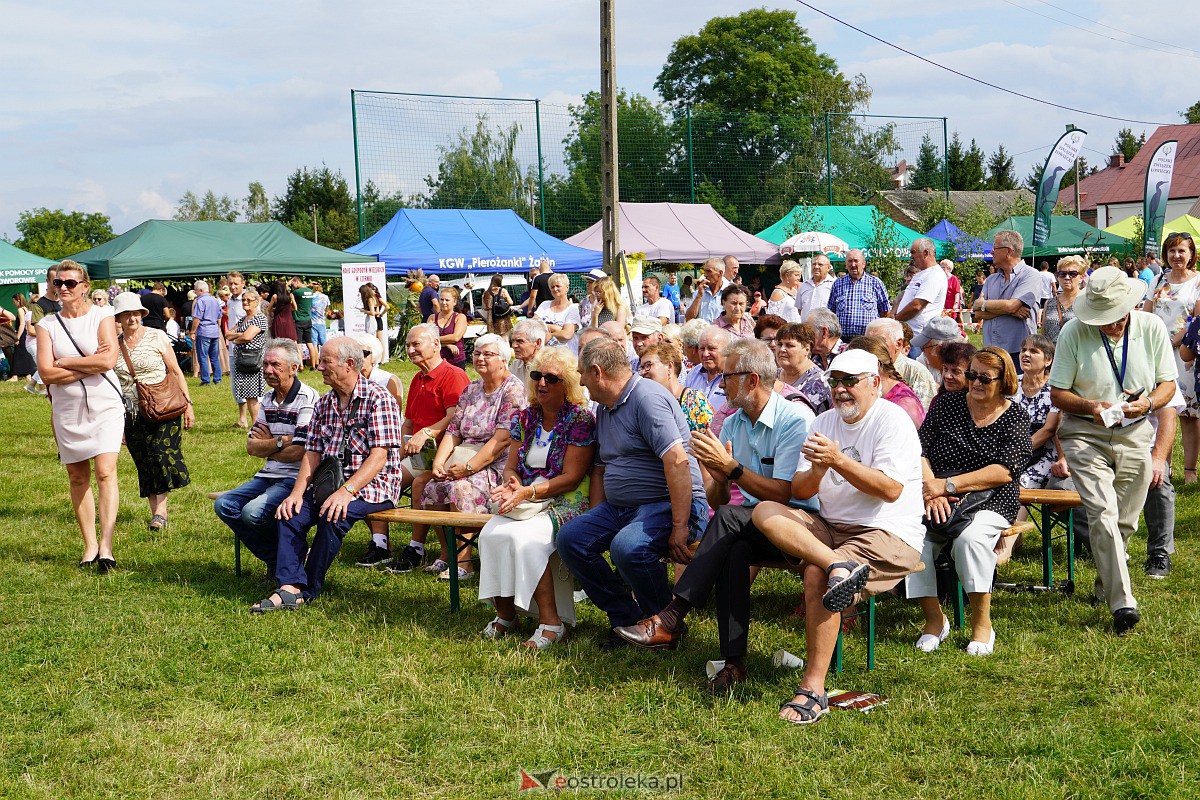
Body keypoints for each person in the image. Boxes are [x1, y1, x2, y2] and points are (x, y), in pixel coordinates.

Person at [615, 340, 817, 693]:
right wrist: (719, 475)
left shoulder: (794, 418)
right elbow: (720, 496)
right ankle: (733, 664)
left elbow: (785, 494)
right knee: (732, 545)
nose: (720, 384)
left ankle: (672, 616)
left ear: (752, 379)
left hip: (800, 526)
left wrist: (732, 469)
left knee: (729, 522)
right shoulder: (735, 421)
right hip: (754, 524)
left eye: (728, 376)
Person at [737, 349, 926, 723]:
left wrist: (839, 461)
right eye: (834, 381)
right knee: (763, 511)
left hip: (887, 531)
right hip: (832, 528)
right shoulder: (823, 421)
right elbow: (802, 490)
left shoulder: (894, 421)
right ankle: (836, 563)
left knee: (815, 575)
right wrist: (820, 469)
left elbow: (889, 490)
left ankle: (813, 689)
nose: (840, 389)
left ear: (874, 384)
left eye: (850, 381)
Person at [556, 338, 708, 650]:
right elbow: (601, 468)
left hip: (669, 503)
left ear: (598, 372)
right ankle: (628, 618)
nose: (581, 381)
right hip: (623, 507)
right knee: (572, 539)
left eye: (582, 373)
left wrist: (680, 527)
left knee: (627, 547)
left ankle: (665, 623)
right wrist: (597, 517)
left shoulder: (646, 398)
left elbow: (677, 461)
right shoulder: (607, 407)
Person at [1050, 267, 1177, 634]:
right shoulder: (1073, 332)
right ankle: (1123, 604)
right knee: (1103, 514)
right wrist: (1092, 406)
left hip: (1136, 432)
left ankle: (1104, 585)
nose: (1112, 325)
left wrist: (1148, 404)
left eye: (1117, 317)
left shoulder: (1151, 327)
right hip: (1084, 434)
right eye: (1103, 320)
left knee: (1125, 522)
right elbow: (1058, 394)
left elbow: (1168, 384)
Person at [263, 336, 405, 611]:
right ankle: (289, 585)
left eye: (326, 361)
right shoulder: (325, 403)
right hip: (331, 485)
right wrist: (295, 493)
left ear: (349, 364)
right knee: (290, 513)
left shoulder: (379, 398)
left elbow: (379, 457)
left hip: (374, 486)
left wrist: (346, 492)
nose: (319, 367)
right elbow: (312, 453)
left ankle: (307, 589)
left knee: (332, 514)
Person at [908, 347, 1030, 656]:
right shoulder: (947, 403)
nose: (975, 382)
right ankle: (935, 620)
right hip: (936, 492)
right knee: (912, 540)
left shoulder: (1015, 416)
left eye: (984, 378)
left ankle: (982, 624)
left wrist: (947, 486)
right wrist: (932, 488)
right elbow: (919, 449)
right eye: (971, 374)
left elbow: (1004, 471)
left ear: (1004, 381)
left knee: (970, 540)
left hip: (991, 499)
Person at [477, 347, 596, 649]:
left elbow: (571, 478)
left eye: (551, 379)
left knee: (526, 541)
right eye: (537, 376)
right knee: (490, 534)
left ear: (567, 383)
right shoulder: (525, 418)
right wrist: (510, 484)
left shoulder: (579, 420)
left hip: (567, 500)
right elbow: (511, 466)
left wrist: (525, 492)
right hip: (526, 499)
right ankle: (506, 615)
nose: (542, 383)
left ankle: (552, 623)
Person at [35, 261, 124, 571]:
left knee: (105, 471)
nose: (63, 288)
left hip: (105, 405)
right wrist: (90, 362)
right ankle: (88, 546)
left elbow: (109, 359)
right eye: (58, 282)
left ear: (85, 286)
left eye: (70, 283)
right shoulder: (46, 324)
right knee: (77, 475)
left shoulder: (103, 316)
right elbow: (46, 371)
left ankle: (106, 547)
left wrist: (68, 361)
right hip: (67, 408)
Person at [422, 334, 527, 581]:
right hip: (464, 458)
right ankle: (447, 553)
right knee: (431, 485)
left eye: (487, 354)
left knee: (461, 489)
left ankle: (465, 561)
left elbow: (502, 439)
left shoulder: (512, 390)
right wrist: (439, 462)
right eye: (477, 353)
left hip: (498, 465)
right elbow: (453, 430)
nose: (480, 358)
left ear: (503, 360)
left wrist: (468, 468)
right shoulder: (472, 388)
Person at [214, 339, 319, 577]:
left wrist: (268, 444)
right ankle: (281, 556)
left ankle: (283, 559)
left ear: (293, 368)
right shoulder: (268, 399)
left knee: (251, 513)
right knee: (224, 505)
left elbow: (301, 451)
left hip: (295, 479)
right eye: (266, 364)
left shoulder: (307, 398)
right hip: (268, 475)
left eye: (275, 365)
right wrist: (281, 441)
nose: (268, 371)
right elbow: (251, 447)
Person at [373, 324, 471, 572]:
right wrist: (403, 442)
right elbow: (409, 419)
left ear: (436, 345)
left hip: (445, 453)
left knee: (421, 484)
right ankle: (380, 544)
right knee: (378, 476)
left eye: (416, 344)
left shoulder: (453, 375)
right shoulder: (418, 378)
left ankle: (418, 548)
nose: (410, 349)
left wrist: (426, 433)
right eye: (408, 345)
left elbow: (455, 417)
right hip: (420, 454)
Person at [111, 292, 194, 532]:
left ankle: (162, 510)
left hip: (163, 405)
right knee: (144, 460)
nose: (132, 318)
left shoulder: (157, 336)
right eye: (127, 314)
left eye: (136, 313)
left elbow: (176, 371)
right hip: (132, 411)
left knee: (160, 452)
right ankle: (155, 514)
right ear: (119, 318)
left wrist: (188, 404)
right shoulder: (114, 345)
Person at [1144, 231, 1200, 483]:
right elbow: (1146, 314)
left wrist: (1177, 340)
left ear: (1191, 255)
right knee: (1159, 411)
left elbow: (1197, 319)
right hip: (1156, 353)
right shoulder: (1156, 280)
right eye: (1172, 251)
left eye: (1182, 251)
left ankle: (1190, 471)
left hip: (1186, 355)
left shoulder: (1198, 282)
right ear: (1166, 254)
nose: (1177, 256)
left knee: (1189, 414)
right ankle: (1163, 466)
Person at [971, 230, 1041, 367]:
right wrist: (1011, 311)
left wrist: (983, 304)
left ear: (1008, 251)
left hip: (1018, 355)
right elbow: (978, 314)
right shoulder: (991, 280)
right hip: (990, 354)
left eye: (995, 248)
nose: (991, 252)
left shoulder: (1031, 275)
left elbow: (1010, 306)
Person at [847, 336, 926, 428]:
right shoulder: (853, 391)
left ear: (876, 365)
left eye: (853, 365)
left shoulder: (905, 404)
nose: (847, 371)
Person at [638, 341, 714, 433]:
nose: (642, 373)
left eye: (648, 365)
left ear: (669, 367)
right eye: (641, 368)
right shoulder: (647, 403)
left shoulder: (693, 400)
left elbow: (709, 439)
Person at [866, 317, 937, 410]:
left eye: (879, 341)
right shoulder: (862, 368)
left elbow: (922, 414)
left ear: (898, 344)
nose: (872, 347)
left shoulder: (916, 373)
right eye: (868, 342)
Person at [897, 238, 949, 355]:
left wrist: (895, 320)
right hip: (910, 337)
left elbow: (917, 305)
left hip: (919, 339)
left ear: (925, 253)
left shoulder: (934, 275)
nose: (911, 256)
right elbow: (906, 296)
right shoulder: (921, 274)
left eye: (913, 252)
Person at [227, 288, 268, 429]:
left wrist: (238, 338)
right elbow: (228, 334)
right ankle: (255, 425)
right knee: (248, 394)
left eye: (249, 300)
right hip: (243, 362)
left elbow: (247, 337)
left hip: (253, 361)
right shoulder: (244, 319)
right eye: (244, 300)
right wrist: (240, 336)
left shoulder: (259, 317)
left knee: (253, 395)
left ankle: (257, 427)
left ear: (256, 302)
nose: (245, 302)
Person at [774, 322, 830, 416]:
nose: (782, 349)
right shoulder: (772, 376)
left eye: (789, 345)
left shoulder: (821, 383)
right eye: (779, 344)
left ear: (807, 350)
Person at [683, 325, 731, 413]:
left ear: (727, 350)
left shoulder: (734, 378)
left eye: (711, 348)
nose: (705, 354)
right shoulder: (694, 373)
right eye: (702, 348)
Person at [535, 274, 580, 355]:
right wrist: (556, 328)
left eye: (558, 286)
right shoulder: (544, 305)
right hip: (545, 354)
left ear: (567, 287)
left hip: (566, 354)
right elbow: (533, 325)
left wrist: (547, 334)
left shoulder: (573, 308)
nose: (555, 289)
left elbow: (567, 334)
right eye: (552, 287)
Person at [190, 279, 224, 385]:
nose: (195, 293)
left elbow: (197, 318)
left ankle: (205, 380)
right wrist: (217, 327)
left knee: (203, 356)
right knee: (214, 357)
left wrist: (192, 332)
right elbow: (219, 317)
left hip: (204, 331)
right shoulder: (215, 300)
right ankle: (218, 379)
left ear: (200, 290)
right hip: (214, 331)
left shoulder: (200, 301)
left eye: (195, 290)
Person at [1043, 255, 1084, 343]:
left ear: (1081, 277)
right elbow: (1044, 335)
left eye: (1072, 274)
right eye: (1062, 274)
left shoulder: (1086, 302)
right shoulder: (1049, 303)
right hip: (1053, 355)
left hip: (1077, 354)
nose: (1067, 277)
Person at [426, 286, 468, 368]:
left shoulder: (460, 317)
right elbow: (427, 339)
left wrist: (436, 340)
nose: (444, 302)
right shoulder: (432, 318)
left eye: (447, 300)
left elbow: (455, 337)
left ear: (454, 302)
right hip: (436, 361)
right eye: (441, 299)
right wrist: (448, 344)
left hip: (455, 361)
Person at [685, 258, 730, 323]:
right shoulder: (699, 293)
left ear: (720, 273)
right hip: (702, 332)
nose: (705, 275)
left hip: (721, 332)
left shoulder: (730, 293)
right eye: (705, 271)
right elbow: (688, 319)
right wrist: (699, 296)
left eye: (709, 271)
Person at [795, 254, 836, 320]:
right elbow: (799, 309)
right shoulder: (804, 286)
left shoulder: (834, 285)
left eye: (820, 264)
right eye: (814, 264)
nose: (816, 267)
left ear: (828, 268)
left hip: (825, 328)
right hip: (806, 327)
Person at [508, 317, 546, 386]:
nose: (514, 345)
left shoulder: (549, 366)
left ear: (538, 343)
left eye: (520, 341)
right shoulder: (516, 365)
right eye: (513, 341)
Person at [290, 276, 318, 369]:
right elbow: (304, 287)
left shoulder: (296, 292)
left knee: (299, 345)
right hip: (308, 319)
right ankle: (313, 366)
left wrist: (288, 284)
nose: (292, 286)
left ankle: (301, 365)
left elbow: (287, 294)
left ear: (296, 282)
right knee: (310, 344)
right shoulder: (310, 291)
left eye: (293, 284)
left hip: (298, 320)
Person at [8, 293, 36, 382]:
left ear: (18, 300)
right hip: (26, 334)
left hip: (22, 334)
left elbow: (22, 324)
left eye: (14, 301)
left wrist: (17, 337)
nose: (14, 304)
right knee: (25, 354)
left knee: (17, 355)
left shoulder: (20, 309)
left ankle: (15, 376)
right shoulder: (26, 309)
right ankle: (28, 375)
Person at [310, 281, 330, 348]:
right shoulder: (325, 297)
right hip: (321, 322)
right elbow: (327, 309)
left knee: (314, 343)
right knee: (323, 342)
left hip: (312, 322)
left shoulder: (310, 296)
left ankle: (315, 358)